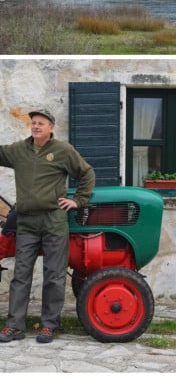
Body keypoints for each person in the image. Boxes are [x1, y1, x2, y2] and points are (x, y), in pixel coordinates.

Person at [0, 109, 95, 344]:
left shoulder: (63, 150)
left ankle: (49, 326)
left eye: (41, 123)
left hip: (54, 220)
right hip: (27, 222)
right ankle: (14, 326)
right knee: (21, 275)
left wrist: (78, 200)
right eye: (33, 123)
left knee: (53, 275)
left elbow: (86, 173)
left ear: (51, 127)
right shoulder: (18, 151)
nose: (35, 126)